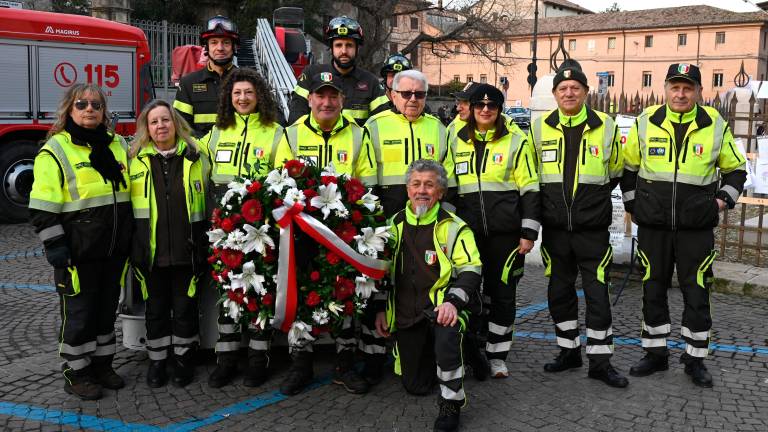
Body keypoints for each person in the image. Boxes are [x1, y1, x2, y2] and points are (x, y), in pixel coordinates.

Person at [621, 63, 747, 388]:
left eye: (687, 88)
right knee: (652, 289)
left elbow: (736, 171)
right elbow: (629, 169)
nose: (680, 93)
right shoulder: (646, 121)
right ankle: (654, 354)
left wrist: (719, 202)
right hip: (654, 228)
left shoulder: (714, 124)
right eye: (675, 87)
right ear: (665, 89)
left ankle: (695, 360)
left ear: (698, 92)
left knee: (697, 292)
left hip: (696, 229)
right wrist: (635, 206)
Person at [274, 71, 376, 396]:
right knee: (302, 296)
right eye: (320, 96)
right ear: (310, 100)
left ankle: (345, 363)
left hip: (344, 235)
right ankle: (300, 362)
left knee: (345, 294)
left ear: (343, 101)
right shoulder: (289, 135)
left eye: (333, 96)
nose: (327, 102)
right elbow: (277, 182)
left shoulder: (360, 136)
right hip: (302, 234)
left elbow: (368, 185)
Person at [528, 60, 628, 388]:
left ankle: (600, 362)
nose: (569, 92)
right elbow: (532, 177)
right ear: (555, 94)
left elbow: (615, 172)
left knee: (597, 295)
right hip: (555, 231)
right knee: (559, 292)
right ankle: (568, 352)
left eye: (575, 88)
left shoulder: (606, 125)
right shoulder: (538, 128)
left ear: (586, 92)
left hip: (592, 230)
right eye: (562, 88)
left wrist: (591, 203)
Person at [29, 83, 132, 400]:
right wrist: (56, 247)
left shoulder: (118, 145)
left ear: (104, 112)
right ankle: (77, 373)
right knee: (79, 314)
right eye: (81, 104)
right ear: (69, 110)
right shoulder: (55, 150)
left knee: (105, 312)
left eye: (96, 105)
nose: (89, 109)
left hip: (113, 251)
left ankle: (103, 366)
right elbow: (42, 208)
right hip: (77, 253)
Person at [375, 159, 482, 432]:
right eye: (416, 184)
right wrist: (379, 309)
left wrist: (453, 301)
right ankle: (463, 349)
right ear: (407, 189)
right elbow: (381, 271)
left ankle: (451, 403)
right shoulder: (393, 224)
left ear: (441, 192)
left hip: (441, 310)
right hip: (407, 314)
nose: (422, 190)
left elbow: (471, 269)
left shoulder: (455, 226)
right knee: (416, 386)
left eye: (429, 185)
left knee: (447, 333)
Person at [449, 84, 540, 379]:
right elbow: (449, 189)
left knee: (503, 296)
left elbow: (530, 188)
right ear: (471, 109)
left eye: (491, 106)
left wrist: (528, 232)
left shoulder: (516, 140)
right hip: (468, 236)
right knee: (469, 294)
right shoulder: (455, 139)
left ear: (499, 110)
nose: (485, 110)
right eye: (479, 106)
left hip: (506, 236)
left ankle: (498, 354)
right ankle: (472, 350)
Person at [201, 67, 284, 388]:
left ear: (259, 95)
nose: (243, 98)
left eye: (249, 92)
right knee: (228, 293)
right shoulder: (217, 132)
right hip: (225, 229)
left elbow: (283, 181)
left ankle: (257, 359)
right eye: (237, 93)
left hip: (261, 228)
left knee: (259, 293)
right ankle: (226, 359)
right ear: (228, 98)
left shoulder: (276, 132)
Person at [128, 100, 210, 388]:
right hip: (150, 253)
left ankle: (184, 360)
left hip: (188, 251)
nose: (161, 126)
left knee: (185, 308)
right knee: (156, 310)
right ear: (146, 129)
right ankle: (157, 362)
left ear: (176, 123)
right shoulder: (134, 159)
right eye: (154, 122)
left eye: (166, 120)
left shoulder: (198, 156)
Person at [365, 69, 449, 216]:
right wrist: (373, 211)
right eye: (406, 94)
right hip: (386, 210)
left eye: (419, 94)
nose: (413, 99)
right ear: (393, 95)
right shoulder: (374, 125)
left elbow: (448, 170)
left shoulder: (439, 127)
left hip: (428, 210)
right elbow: (366, 173)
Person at [287, 16, 388, 126]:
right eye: (338, 45)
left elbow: (383, 123)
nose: (344, 51)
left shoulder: (371, 82)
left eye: (349, 45)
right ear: (331, 48)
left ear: (357, 48)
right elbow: (296, 121)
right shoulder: (310, 75)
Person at [174, 15, 239, 137]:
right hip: (202, 152)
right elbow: (180, 126)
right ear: (206, 47)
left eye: (226, 42)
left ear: (234, 47)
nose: (220, 48)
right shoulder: (188, 83)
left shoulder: (248, 82)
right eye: (214, 42)